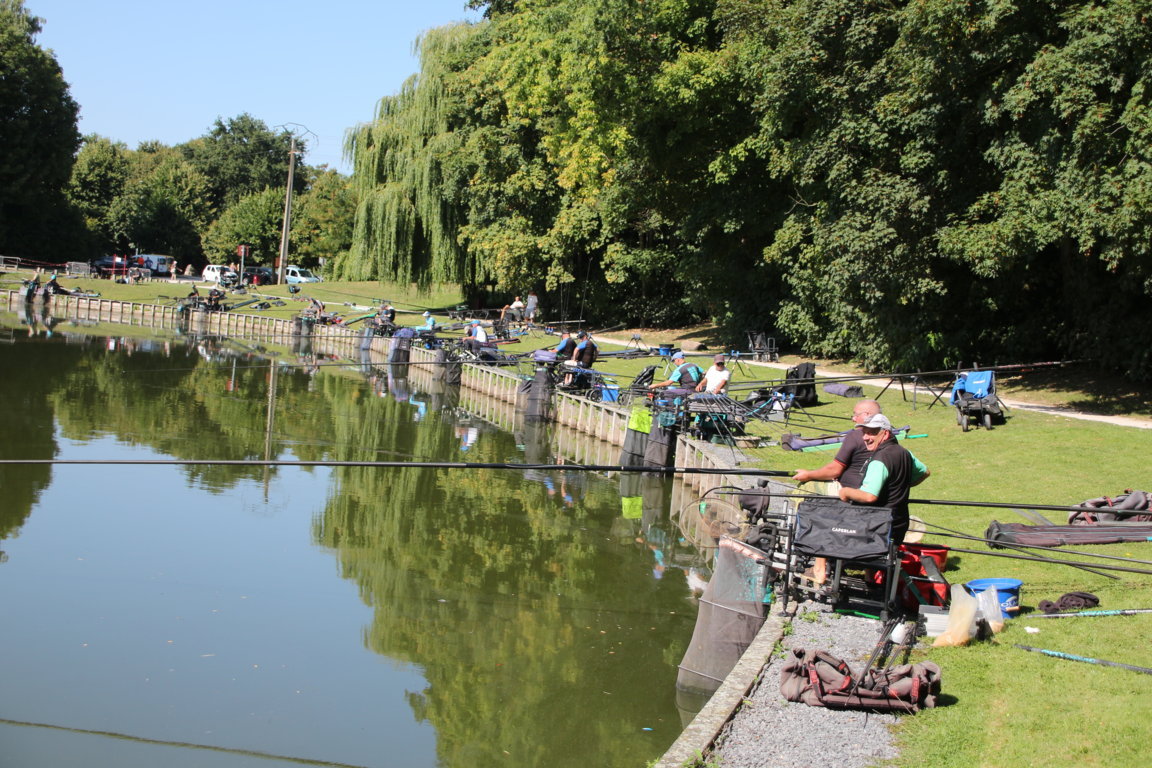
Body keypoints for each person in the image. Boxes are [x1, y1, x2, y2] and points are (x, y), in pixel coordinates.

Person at [838, 413, 930, 544]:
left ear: (885, 434)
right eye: (864, 433)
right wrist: (899, 486)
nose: (865, 437)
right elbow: (924, 472)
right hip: (899, 524)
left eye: (871, 433)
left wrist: (845, 491)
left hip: (877, 527)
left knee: (830, 529)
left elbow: (869, 496)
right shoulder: (904, 452)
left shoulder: (880, 459)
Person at [794, 399, 882, 489]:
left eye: (856, 415)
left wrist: (808, 475)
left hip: (851, 490)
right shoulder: (886, 435)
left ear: (866, 415)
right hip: (878, 490)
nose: (853, 419)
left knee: (805, 487)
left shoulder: (855, 436)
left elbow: (834, 470)